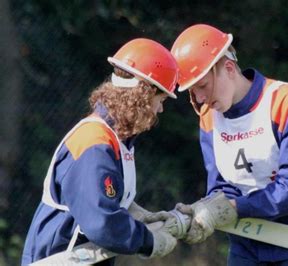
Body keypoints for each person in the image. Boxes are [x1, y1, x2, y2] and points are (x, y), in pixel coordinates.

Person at [170, 24, 288, 265]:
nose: (200, 99)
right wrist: (202, 212)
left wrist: (233, 208)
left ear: (229, 68)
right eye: (192, 91)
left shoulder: (285, 101)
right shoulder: (209, 117)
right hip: (248, 245)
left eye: (202, 86)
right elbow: (221, 187)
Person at [22, 38, 180, 265]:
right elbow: (102, 222)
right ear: (143, 95)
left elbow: (103, 199)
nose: (160, 109)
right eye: (160, 99)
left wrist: (139, 216)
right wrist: (149, 240)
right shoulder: (94, 143)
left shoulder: (116, 140)